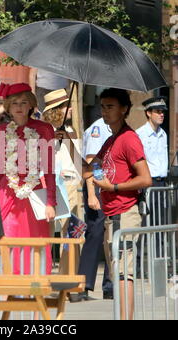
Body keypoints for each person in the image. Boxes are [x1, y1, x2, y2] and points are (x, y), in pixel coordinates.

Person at [83, 88, 152, 320]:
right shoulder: (111, 140)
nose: (105, 111)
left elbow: (145, 178)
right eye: (102, 106)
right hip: (111, 213)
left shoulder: (129, 139)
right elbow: (90, 168)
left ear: (124, 109)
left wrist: (113, 187)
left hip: (125, 211)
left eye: (110, 106)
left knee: (124, 275)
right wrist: (67, 141)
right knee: (117, 273)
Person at [0, 83, 56, 275]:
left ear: (31, 105)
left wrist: (51, 202)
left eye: (23, 102)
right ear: (9, 107)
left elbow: (50, 170)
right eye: (15, 103)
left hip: (35, 192)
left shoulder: (44, 129)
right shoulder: (0, 131)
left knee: (35, 241)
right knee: (7, 239)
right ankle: (9, 287)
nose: (19, 107)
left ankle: (34, 288)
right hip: (7, 193)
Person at [42, 89, 80, 276]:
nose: (71, 108)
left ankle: (68, 275)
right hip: (51, 186)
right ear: (57, 110)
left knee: (71, 232)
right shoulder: (43, 131)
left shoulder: (71, 130)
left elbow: (78, 161)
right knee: (47, 233)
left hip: (72, 185)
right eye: (66, 106)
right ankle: (45, 272)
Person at [77, 117, 113, 301]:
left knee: (113, 236)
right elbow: (92, 162)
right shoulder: (98, 128)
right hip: (99, 185)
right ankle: (84, 283)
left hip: (113, 186)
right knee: (95, 233)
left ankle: (110, 283)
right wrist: (93, 192)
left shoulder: (120, 129)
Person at [136, 96, 168, 225]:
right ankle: (143, 245)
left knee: (161, 219)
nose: (161, 115)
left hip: (161, 183)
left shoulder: (163, 134)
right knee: (148, 220)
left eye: (163, 112)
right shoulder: (140, 134)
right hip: (149, 183)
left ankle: (159, 245)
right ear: (148, 113)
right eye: (158, 111)